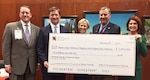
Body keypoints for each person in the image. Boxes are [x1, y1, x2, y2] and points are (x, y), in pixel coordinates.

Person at [2, 5, 40, 80]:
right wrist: (7, 64)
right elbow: (6, 47)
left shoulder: (37, 29)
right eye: (23, 13)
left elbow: (37, 47)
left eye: (27, 13)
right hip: (16, 66)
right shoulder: (10, 27)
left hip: (31, 66)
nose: (25, 14)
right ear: (19, 15)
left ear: (30, 15)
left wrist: (38, 62)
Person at [37, 6, 70, 80]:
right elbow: (40, 49)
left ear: (59, 16)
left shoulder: (66, 30)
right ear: (49, 16)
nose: (54, 17)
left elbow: (68, 47)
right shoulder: (43, 31)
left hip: (61, 67)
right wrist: (44, 61)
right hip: (47, 67)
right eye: (52, 15)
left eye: (56, 15)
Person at [92, 6, 121, 80]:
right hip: (96, 64)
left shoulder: (115, 28)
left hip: (108, 65)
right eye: (101, 15)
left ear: (110, 16)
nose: (103, 17)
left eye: (105, 14)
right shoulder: (95, 28)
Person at [118, 16, 148, 80]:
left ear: (138, 25)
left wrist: (140, 41)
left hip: (136, 69)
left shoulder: (142, 37)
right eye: (130, 24)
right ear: (128, 25)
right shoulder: (123, 37)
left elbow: (144, 54)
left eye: (135, 23)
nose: (132, 25)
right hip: (123, 68)